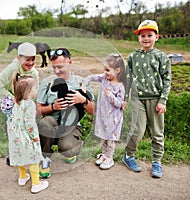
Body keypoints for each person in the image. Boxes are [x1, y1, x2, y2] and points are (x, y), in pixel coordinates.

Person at [122, 20, 172, 178]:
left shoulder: (161, 56)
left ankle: (157, 161)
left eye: (149, 35)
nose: (146, 38)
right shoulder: (133, 57)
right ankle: (128, 156)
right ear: (138, 38)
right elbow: (127, 79)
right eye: (142, 36)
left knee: (157, 132)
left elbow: (167, 79)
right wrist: (124, 98)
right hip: (137, 99)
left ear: (156, 36)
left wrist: (163, 100)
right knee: (137, 130)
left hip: (156, 99)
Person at [36, 48, 95, 178]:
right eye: (54, 67)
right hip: (51, 123)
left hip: (71, 125)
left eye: (60, 67)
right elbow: (37, 110)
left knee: (68, 148)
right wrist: (53, 107)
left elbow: (92, 111)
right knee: (44, 122)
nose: (57, 71)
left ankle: (73, 146)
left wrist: (83, 100)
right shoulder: (47, 83)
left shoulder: (81, 83)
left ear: (70, 62)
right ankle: (45, 159)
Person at [0, 42, 39, 165]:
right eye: (27, 59)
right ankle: (14, 156)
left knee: (27, 126)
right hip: (10, 103)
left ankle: (26, 153)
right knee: (15, 129)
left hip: (24, 103)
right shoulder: (12, 69)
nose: (30, 63)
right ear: (19, 58)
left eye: (33, 59)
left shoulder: (34, 73)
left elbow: (35, 90)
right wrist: (14, 99)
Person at [81, 54, 126, 170]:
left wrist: (110, 95)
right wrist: (84, 84)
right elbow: (92, 77)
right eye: (104, 69)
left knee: (110, 139)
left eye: (107, 70)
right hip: (103, 115)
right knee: (104, 137)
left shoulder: (120, 86)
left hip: (113, 118)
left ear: (117, 70)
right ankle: (104, 155)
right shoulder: (104, 79)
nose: (105, 72)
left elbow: (119, 103)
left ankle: (110, 158)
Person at [8, 73, 49, 193]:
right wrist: (35, 137)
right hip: (26, 136)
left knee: (21, 155)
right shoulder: (30, 104)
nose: (37, 90)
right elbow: (29, 124)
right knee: (33, 158)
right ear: (28, 91)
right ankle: (36, 184)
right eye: (35, 88)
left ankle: (22, 177)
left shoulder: (17, 101)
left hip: (15, 135)